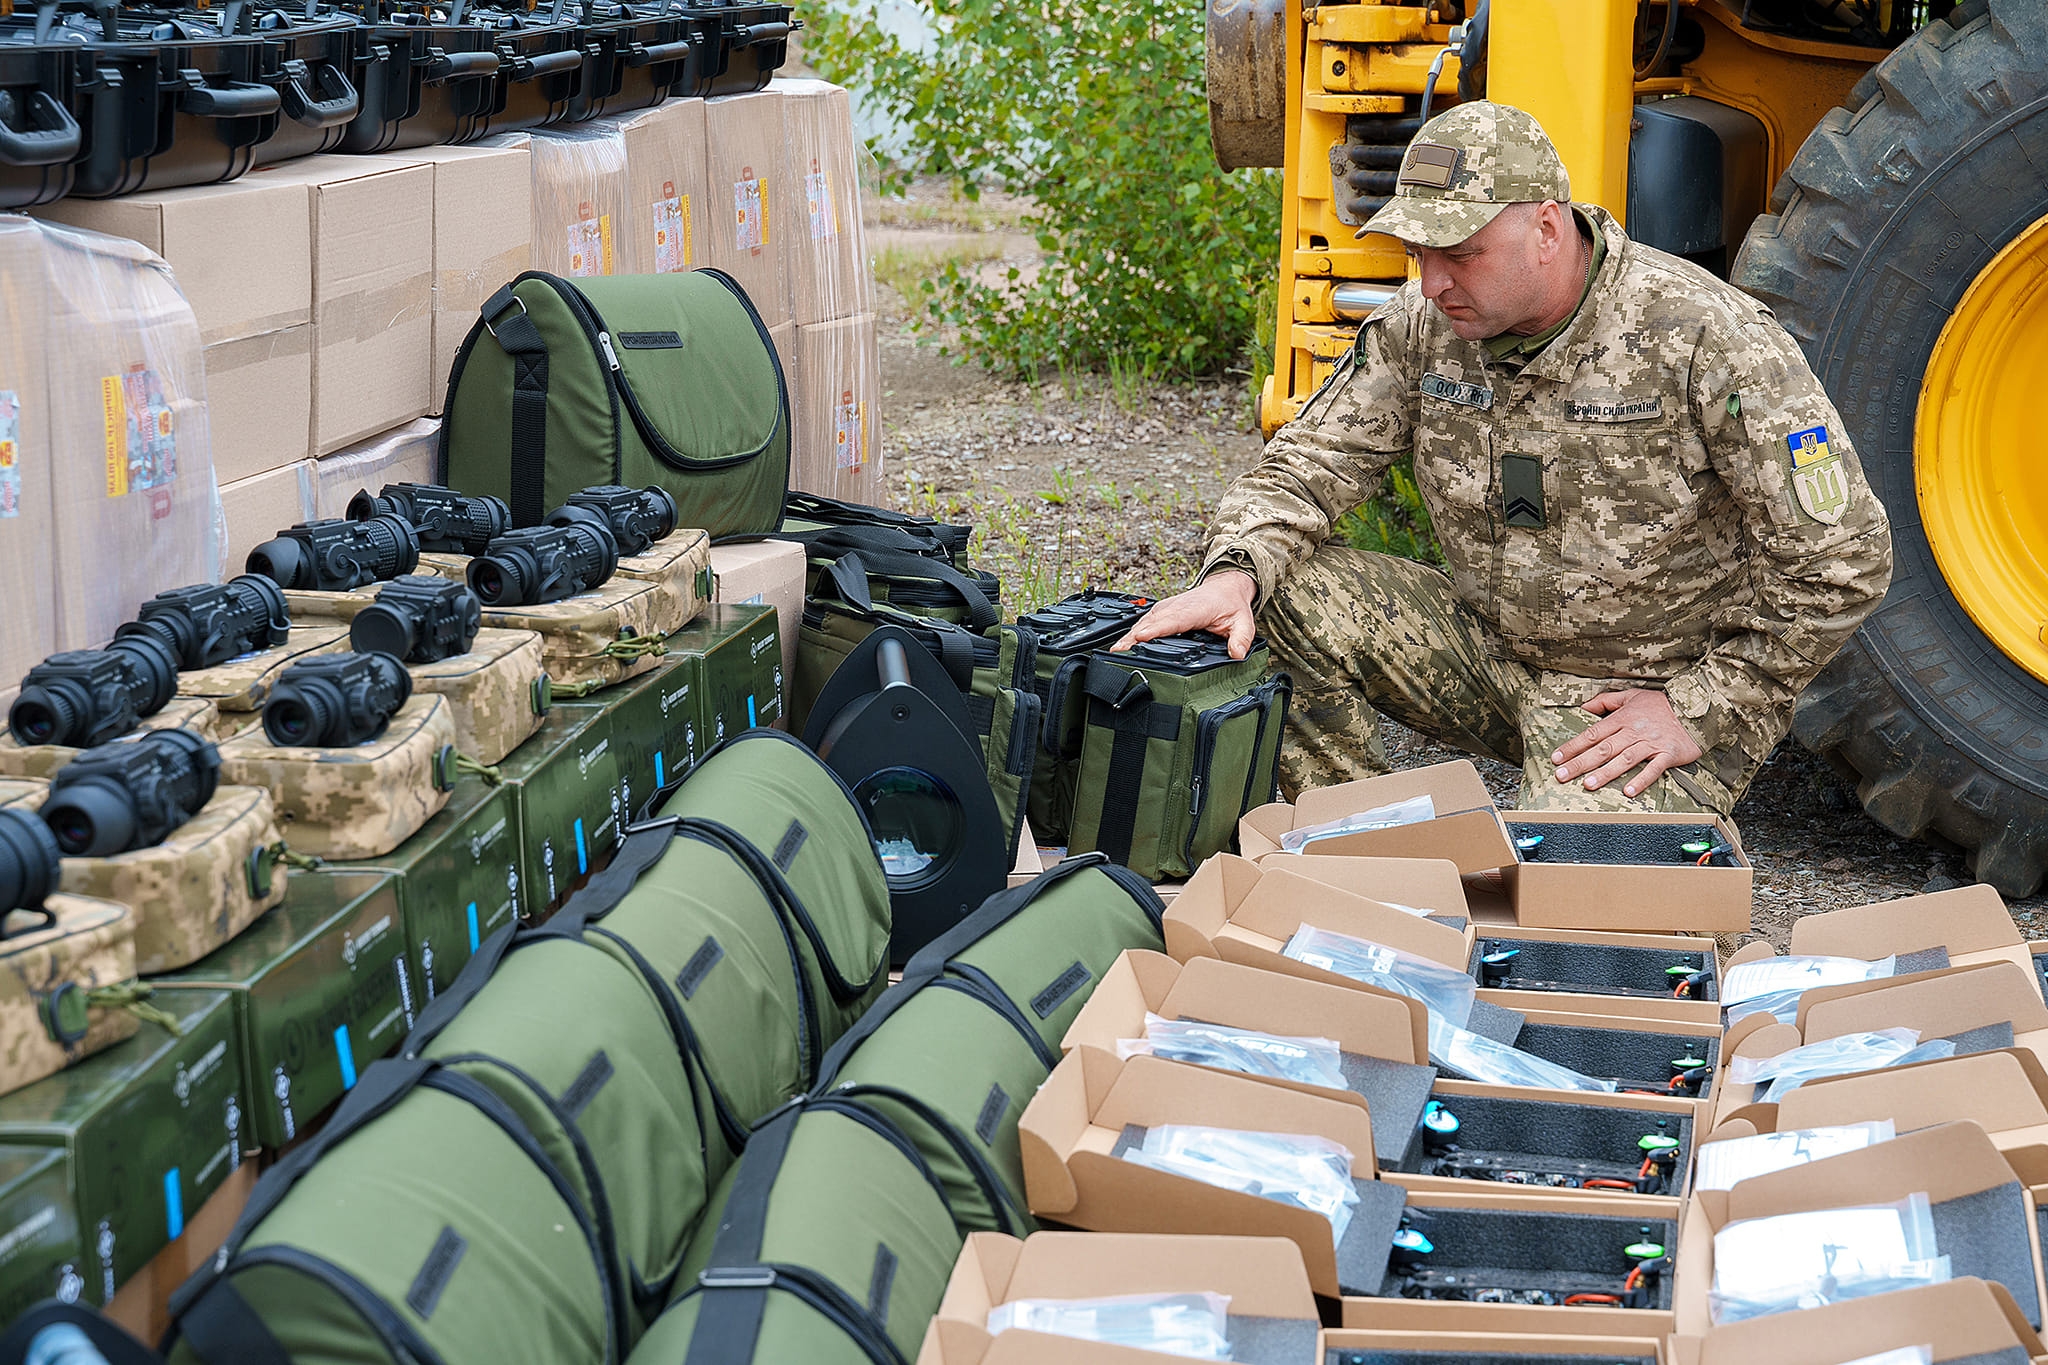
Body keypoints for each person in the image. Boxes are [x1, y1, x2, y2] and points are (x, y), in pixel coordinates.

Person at [1117, 101, 1892, 815]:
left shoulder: (1703, 337)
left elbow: (1844, 555)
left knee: (1569, 920)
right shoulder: (1424, 324)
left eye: (1459, 253)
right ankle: (1369, 857)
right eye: (1417, 252)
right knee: (1269, 598)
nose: (1432, 281)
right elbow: (1306, 465)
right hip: (1488, 652)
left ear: (1548, 231)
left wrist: (1700, 706)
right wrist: (1233, 573)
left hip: (1636, 694)